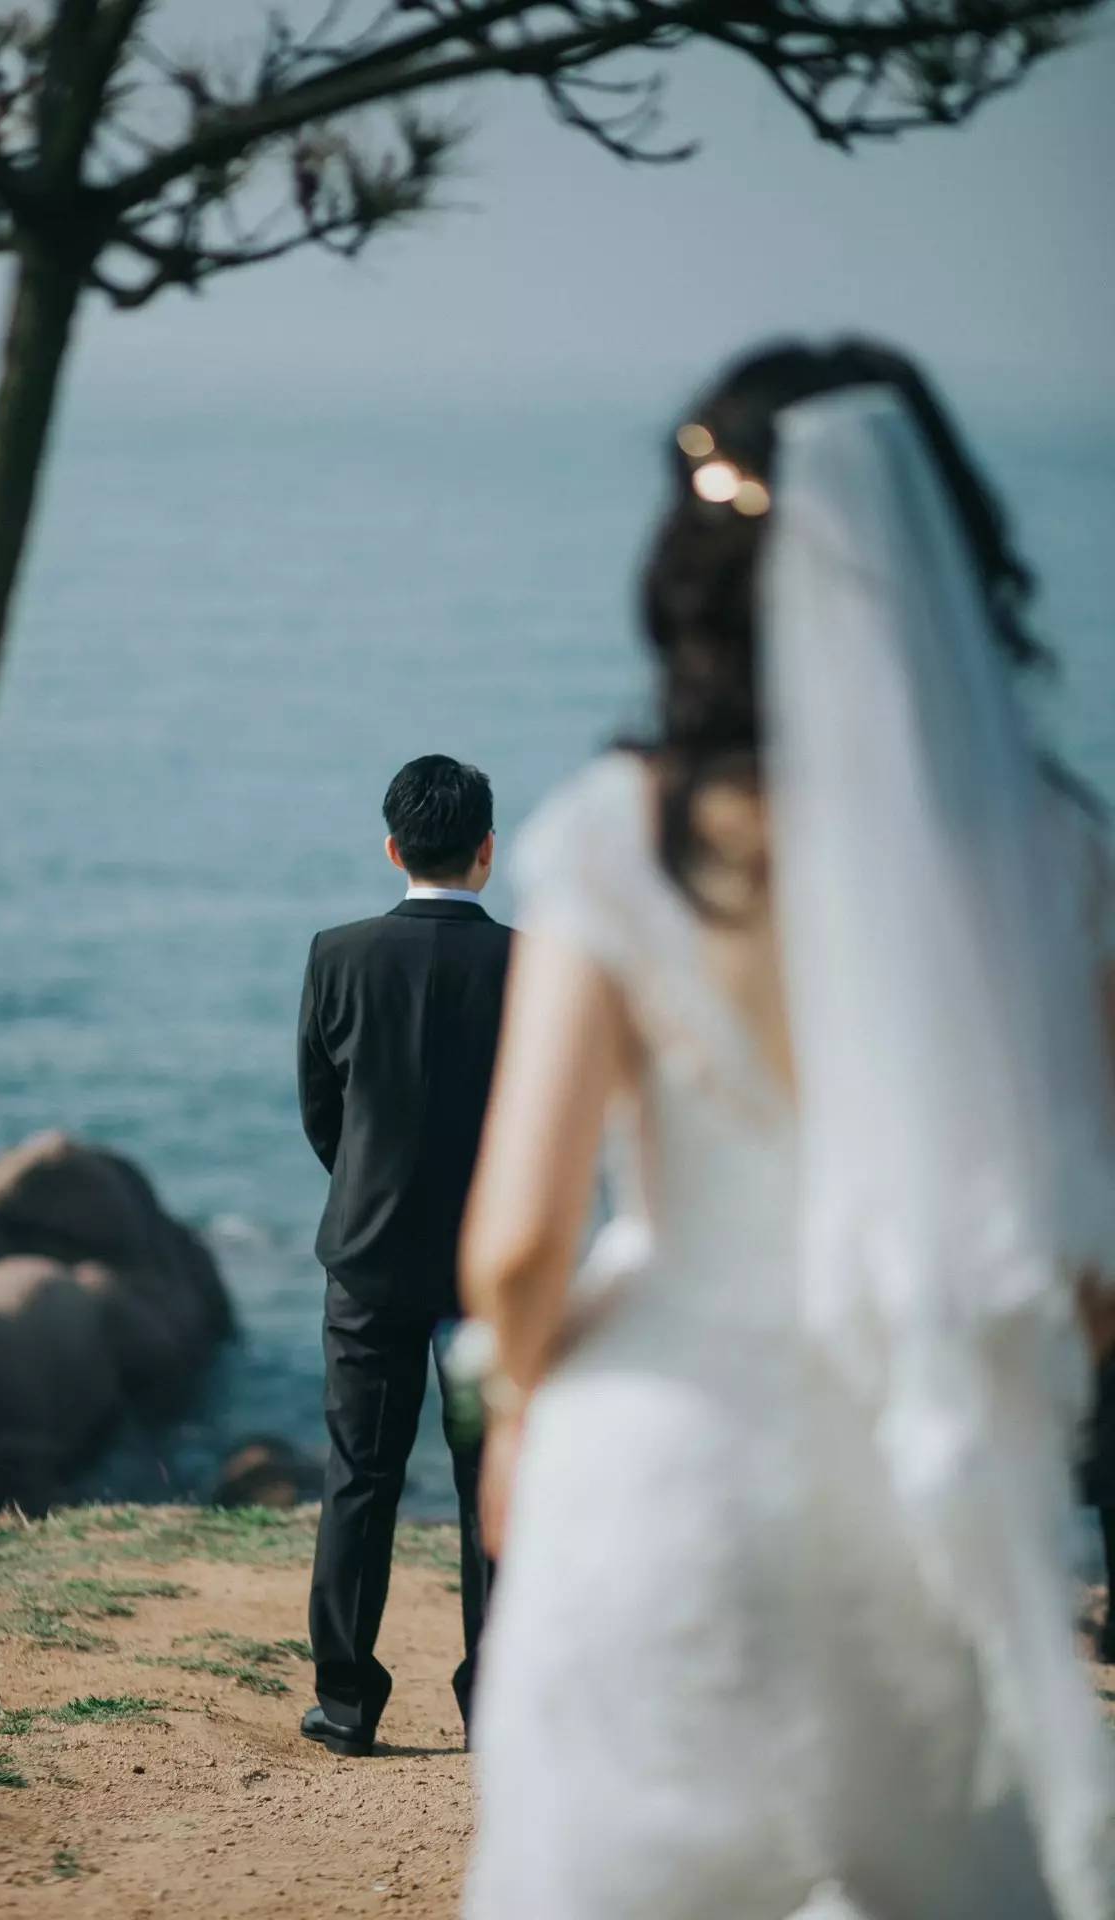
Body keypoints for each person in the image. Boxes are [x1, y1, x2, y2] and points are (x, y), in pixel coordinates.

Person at [459, 342, 1115, 1919]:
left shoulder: (619, 838)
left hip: (667, 1464)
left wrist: (522, 1408)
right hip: (929, 1490)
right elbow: (1090, 1254)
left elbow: (523, 1241)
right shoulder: (1058, 854)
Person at [298, 754, 510, 1756]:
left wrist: (367, 1186)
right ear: (486, 851)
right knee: (492, 1484)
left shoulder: (336, 955)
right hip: (487, 1279)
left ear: (392, 848)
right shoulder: (530, 964)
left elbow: (321, 1113)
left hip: (370, 1263)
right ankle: (498, 1704)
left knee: (358, 1477)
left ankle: (345, 1702)